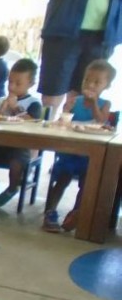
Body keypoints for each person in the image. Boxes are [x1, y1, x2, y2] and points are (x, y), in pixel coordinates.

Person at [38, 0, 122, 114]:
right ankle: (44, 134)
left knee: (86, 94)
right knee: (52, 94)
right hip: (63, 32)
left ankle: (71, 135)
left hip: (102, 37)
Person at [42, 59, 116, 232]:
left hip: (90, 155)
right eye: (87, 80)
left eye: (96, 82)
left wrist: (94, 106)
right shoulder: (75, 100)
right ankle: (50, 213)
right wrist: (66, 110)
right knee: (62, 180)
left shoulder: (105, 104)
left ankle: (76, 213)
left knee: (86, 183)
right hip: (71, 151)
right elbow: (64, 121)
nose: (90, 84)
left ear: (107, 85)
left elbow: (102, 121)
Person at [0, 59, 44, 209]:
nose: (12, 86)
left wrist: (16, 108)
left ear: (30, 84)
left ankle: (12, 189)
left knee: (17, 162)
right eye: (10, 82)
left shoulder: (33, 103)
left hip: (19, 146)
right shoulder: (2, 100)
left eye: (18, 83)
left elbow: (34, 120)